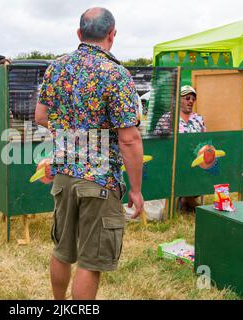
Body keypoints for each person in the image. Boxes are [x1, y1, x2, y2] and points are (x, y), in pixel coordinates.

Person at [35, 7, 144, 300]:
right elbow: (130, 139)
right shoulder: (116, 73)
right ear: (112, 35)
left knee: (62, 250)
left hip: (64, 176)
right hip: (100, 181)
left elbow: (40, 115)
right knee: (90, 261)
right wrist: (136, 190)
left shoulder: (56, 67)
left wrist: (72, 135)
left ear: (80, 34)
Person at [154, 85, 206, 212]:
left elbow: (204, 141)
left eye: (193, 99)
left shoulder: (199, 119)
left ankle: (186, 200)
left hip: (194, 162)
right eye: (187, 98)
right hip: (172, 162)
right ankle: (185, 201)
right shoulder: (167, 119)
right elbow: (157, 145)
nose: (191, 101)